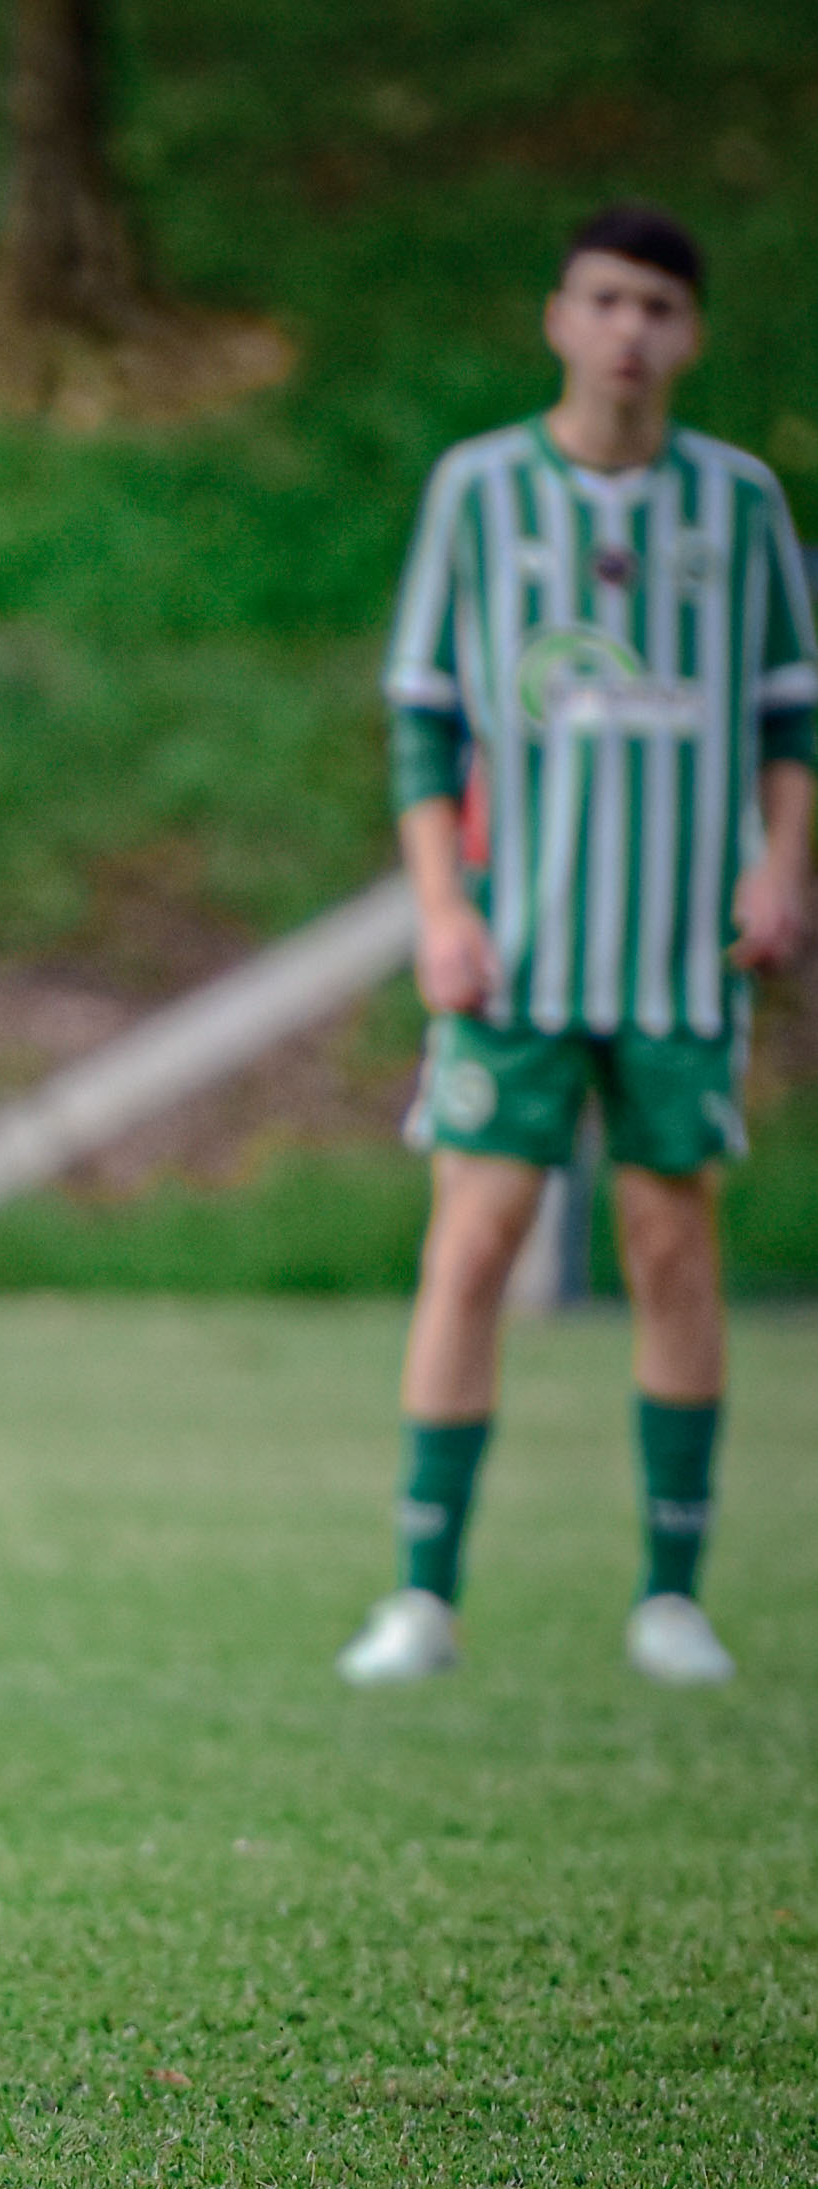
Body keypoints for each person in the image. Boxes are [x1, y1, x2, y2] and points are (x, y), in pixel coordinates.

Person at [339, 205, 813, 1688]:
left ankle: (668, 1597)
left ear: (690, 336)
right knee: (470, 1242)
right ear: (557, 316)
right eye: (604, 301)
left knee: (671, 1246)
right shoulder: (478, 493)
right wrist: (439, 907)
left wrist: (779, 867)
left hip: (677, 957)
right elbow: (423, 713)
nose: (628, 332)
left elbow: (787, 712)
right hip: (517, 953)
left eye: (658, 307)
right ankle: (422, 1595)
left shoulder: (736, 507)